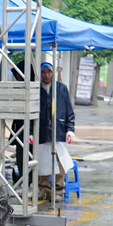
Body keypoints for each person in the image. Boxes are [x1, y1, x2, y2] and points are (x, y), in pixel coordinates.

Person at [38, 62, 75, 199]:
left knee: (60, 161)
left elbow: (68, 111)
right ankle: (44, 188)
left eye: (49, 72)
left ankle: (59, 189)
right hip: (41, 130)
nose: (46, 75)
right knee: (42, 160)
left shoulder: (61, 89)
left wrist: (70, 129)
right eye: (44, 72)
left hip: (58, 130)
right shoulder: (36, 89)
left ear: (53, 73)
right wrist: (30, 131)